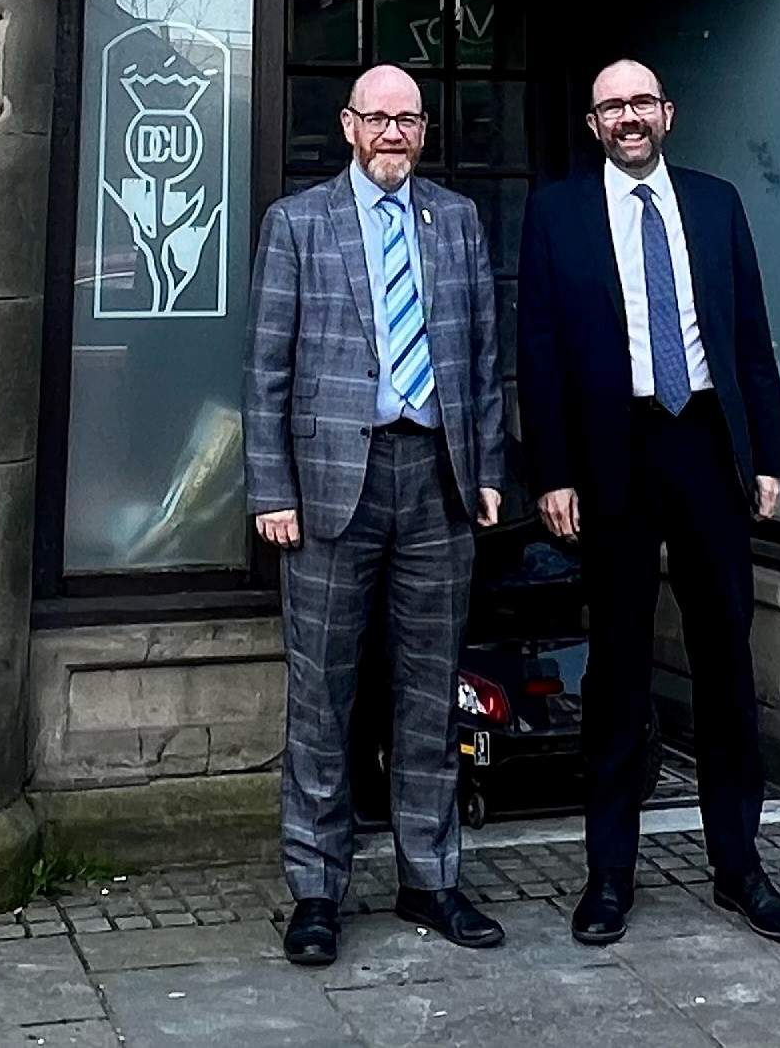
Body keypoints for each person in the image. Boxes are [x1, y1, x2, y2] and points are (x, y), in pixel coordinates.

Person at [518, 56, 780, 949]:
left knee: (726, 657)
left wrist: (766, 453)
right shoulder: (557, 210)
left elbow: (751, 334)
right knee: (616, 667)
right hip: (612, 452)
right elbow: (539, 349)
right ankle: (609, 875)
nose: (629, 116)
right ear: (594, 122)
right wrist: (553, 472)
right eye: (612, 104)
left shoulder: (717, 202)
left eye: (641, 101)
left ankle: (740, 867)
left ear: (668, 112)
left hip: (707, 443)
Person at [243, 62, 507, 968]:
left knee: (430, 694)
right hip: (327, 489)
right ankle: (317, 889)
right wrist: (271, 488)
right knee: (322, 693)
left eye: (409, 119)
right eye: (378, 117)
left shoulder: (458, 221)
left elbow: (480, 354)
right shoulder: (298, 223)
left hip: (436, 477)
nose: (393, 132)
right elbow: (267, 368)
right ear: (349, 125)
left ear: (424, 131)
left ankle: (430, 878)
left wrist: (488, 469)